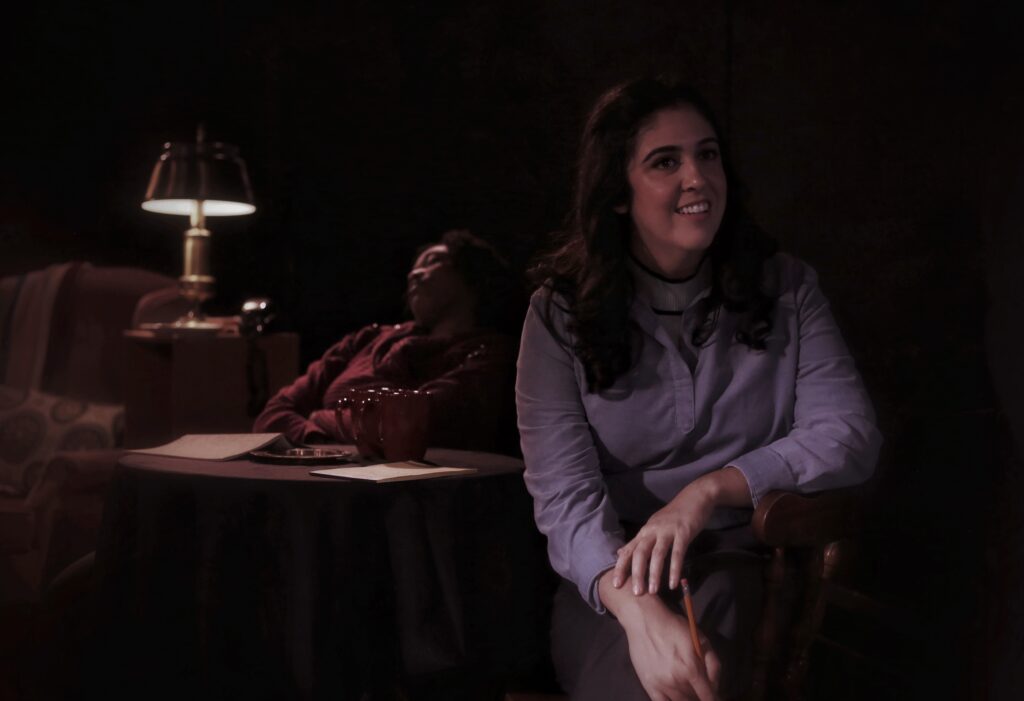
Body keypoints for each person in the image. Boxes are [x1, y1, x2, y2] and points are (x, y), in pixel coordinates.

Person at [515, 77, 882, 700]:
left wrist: (706, 492)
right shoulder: (558, 315)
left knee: (701, 657)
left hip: (740, 560)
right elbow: (565, 496)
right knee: (642, 673)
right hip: (613, 576)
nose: (697, 178)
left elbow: (849, 435)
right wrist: (638, 613)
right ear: (618, 194)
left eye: (707, 155)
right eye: (666, 162)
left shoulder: (786, 287)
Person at [255, 229, 523, 453]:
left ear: (472, 274)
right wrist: (319, 438)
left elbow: (405, 427)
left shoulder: (489, 352)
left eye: (433, 261)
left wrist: (317, 416)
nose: (413, 274)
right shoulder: (368, 339)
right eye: (414, 267)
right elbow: (273, 415)